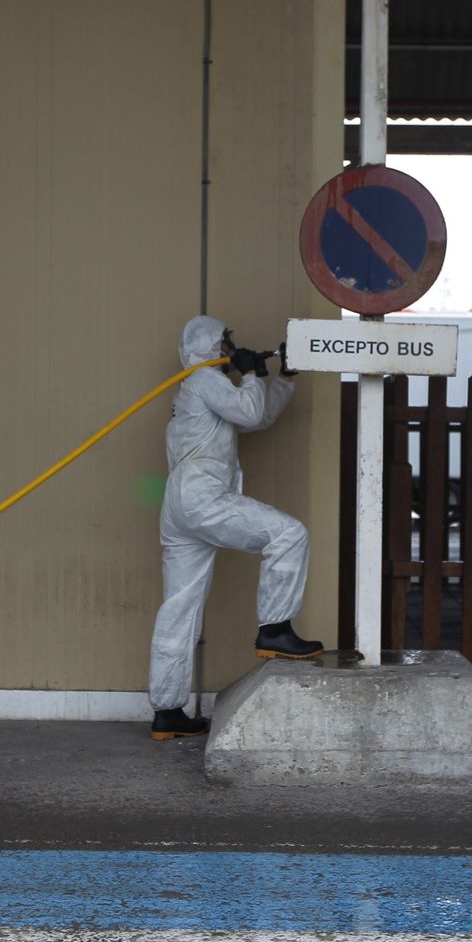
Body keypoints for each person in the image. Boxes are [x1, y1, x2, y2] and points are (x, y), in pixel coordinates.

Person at [148, 315, 320, 741]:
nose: (230, 347)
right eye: (226, 341)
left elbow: (255, 417)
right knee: (288, 534)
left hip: (179, 504)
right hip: (202, 498)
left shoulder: (200, 385)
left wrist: (281, 378)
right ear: (209, 345)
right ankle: (274, 630)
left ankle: (168, 712)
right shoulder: (204, 379)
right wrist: (252, 372)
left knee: (179, 608)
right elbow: (248, 407)